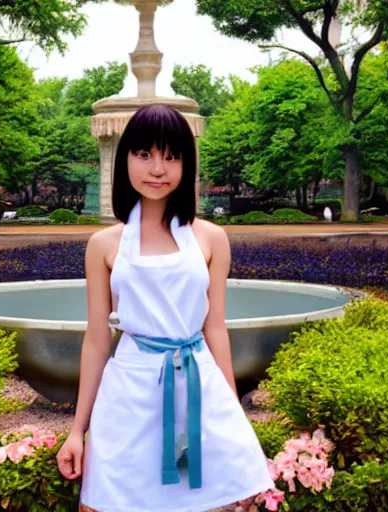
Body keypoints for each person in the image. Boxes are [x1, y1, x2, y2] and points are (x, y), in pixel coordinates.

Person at [57, 105, 274, 511]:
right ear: (125, 160)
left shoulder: (211, 238)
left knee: (209, 499)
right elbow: (97, 340)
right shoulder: (104, 245)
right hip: (129, 391)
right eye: (144, 155)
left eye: (171, 157)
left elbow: (215, 329)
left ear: (186, 165)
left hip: (198, 381)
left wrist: (232, 411)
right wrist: (76, 431)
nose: (158, 169)